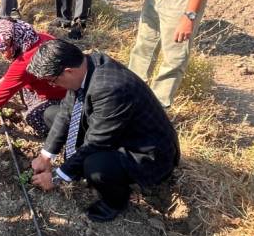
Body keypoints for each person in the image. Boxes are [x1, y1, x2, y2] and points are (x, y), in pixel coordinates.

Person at [25, 39, 179, 222]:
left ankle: (115, 202)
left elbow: (97, 142)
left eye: (53, 81)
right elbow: (67, 111)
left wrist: (57, 178)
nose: (54, 86)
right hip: (114, 130)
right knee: (52, 114)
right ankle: (79, 166)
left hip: (146, 151)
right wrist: (45, 156)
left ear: (68, 71)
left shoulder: (110, 88)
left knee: (96, 166)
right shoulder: (86, 65)